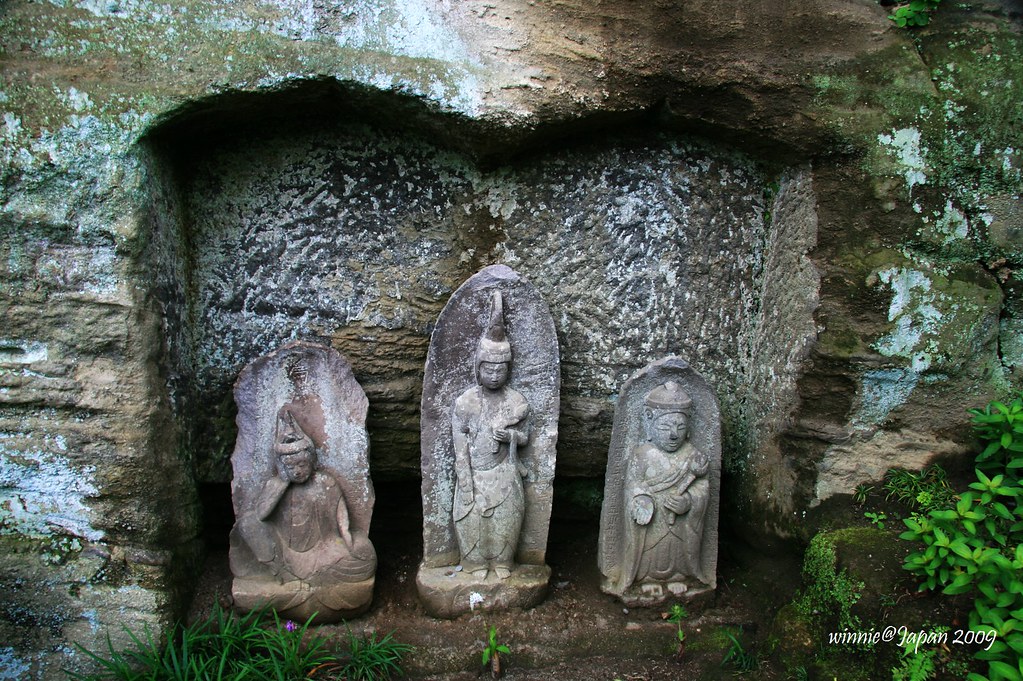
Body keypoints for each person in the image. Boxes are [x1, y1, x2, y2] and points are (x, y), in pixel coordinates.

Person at [232, 405, 375, 588]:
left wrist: (347, 537)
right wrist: (283, 483)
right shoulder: (276, 485)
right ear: (282, 466)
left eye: (301, 465)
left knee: (366, 554)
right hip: (284, 553)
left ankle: (306, 580)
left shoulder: (325, 482)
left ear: (311, 461)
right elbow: (261, 515)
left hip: (322, 550)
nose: (297, 471)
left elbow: (341, 515)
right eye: (291, 467)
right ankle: (283, 574)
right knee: (248, 524)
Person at [451, 290, 530, 580]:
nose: (495, 375)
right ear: (478, 368)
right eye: (489, 370)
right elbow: (460, 446)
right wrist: (466, 479)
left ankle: (503, 561)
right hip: (474, 472)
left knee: (506, 518)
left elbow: (524, 438)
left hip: (504, 473)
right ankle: (474, 564)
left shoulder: (516, 401)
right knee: (472, 520)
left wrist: (509, 437)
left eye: (500, 370)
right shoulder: (466, 402)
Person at [619, 381, 710, 597]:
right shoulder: (642, 455)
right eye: (665, 427)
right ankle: (646, 579)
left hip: (679, 524)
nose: (673, 434)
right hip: (653, 520)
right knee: (651, 548)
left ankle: (680, 576)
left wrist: (689, 501)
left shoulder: (692, 455)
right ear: (651, 424)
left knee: (677, 547)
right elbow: (632, 485)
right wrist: (642, 501)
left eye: (680, 427)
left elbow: (702, 487)